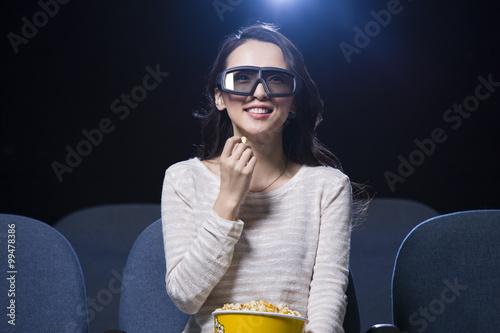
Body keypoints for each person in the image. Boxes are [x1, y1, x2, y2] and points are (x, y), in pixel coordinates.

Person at [161, 22, 367, 333]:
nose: (259, 92)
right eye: (242, 78)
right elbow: (185, 297)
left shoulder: (327, 187)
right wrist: (228, 201)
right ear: (219, 97)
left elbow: (327, 301)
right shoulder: (183, 179)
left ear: (294, 101)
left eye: (276, 79)